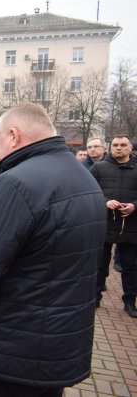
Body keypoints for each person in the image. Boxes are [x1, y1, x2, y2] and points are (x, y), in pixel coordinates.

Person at [0, 102, 106, 396]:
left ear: (13, 135)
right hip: (56, 348)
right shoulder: (84, 179)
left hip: (6, 353)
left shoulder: (14, 183)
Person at [90, 136, 137, 318]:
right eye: (115, 145)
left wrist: (134, 205)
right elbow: (88, 190)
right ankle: (95, 297)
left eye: (123, 145)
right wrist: (105, 201)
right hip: (105, 222)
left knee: (130, 266)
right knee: (100, 263)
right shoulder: (99, 168)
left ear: (130, 147)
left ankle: (129, 301)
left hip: (131, 224)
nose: (118, 148)